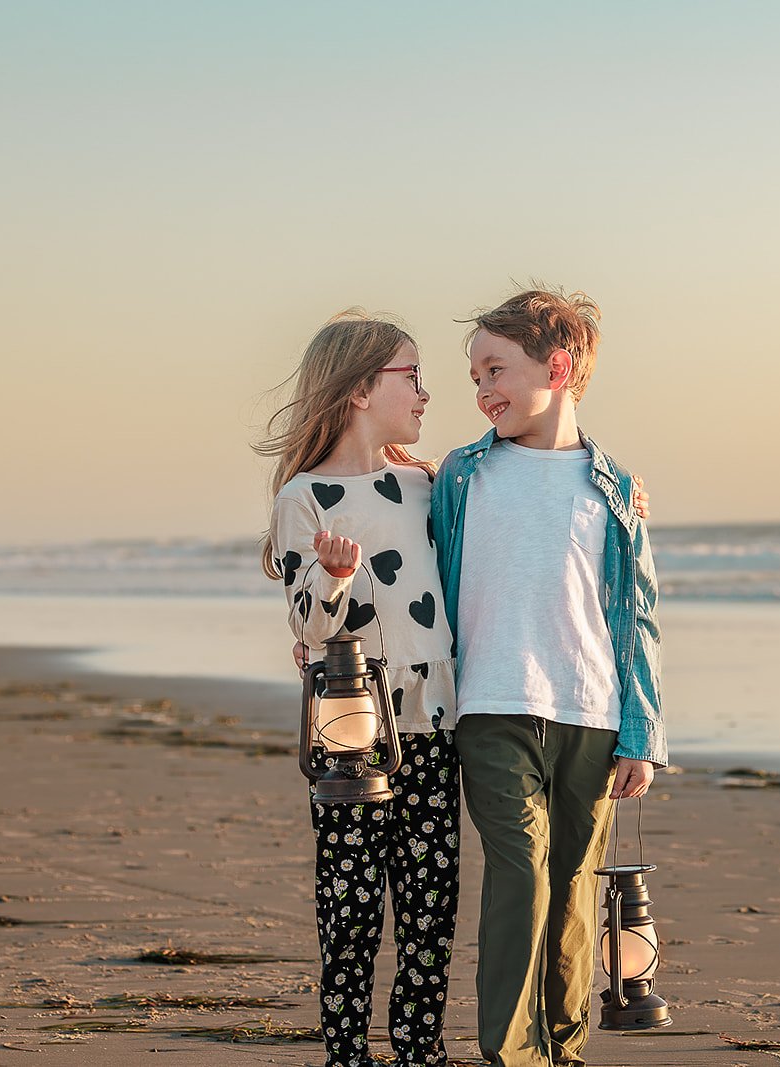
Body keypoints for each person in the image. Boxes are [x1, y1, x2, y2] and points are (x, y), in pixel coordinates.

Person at [430, 287, 666, 1067]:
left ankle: (564, 1049)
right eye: (474, 374)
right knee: (520, 875)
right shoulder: (462, 477)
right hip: (492, 708)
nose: (481, 388)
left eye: (495, 367)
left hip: (591, 716)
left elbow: (637, 621)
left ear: (557, 367)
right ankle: (510, 1053)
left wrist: (641, 733)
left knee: (572, 890)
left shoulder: (614, 490)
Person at [257, 311, 461, 1067]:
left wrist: (620, 511)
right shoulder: (302, 498)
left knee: (430, 905)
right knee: (348, 910)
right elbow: (310, 626)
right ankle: (345, 1053)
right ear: (358, 389)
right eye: (411, 375)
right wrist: (336, 574)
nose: (426, 392)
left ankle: (418, 1048)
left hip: (435, 726)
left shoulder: (426, 484)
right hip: (351, 731)